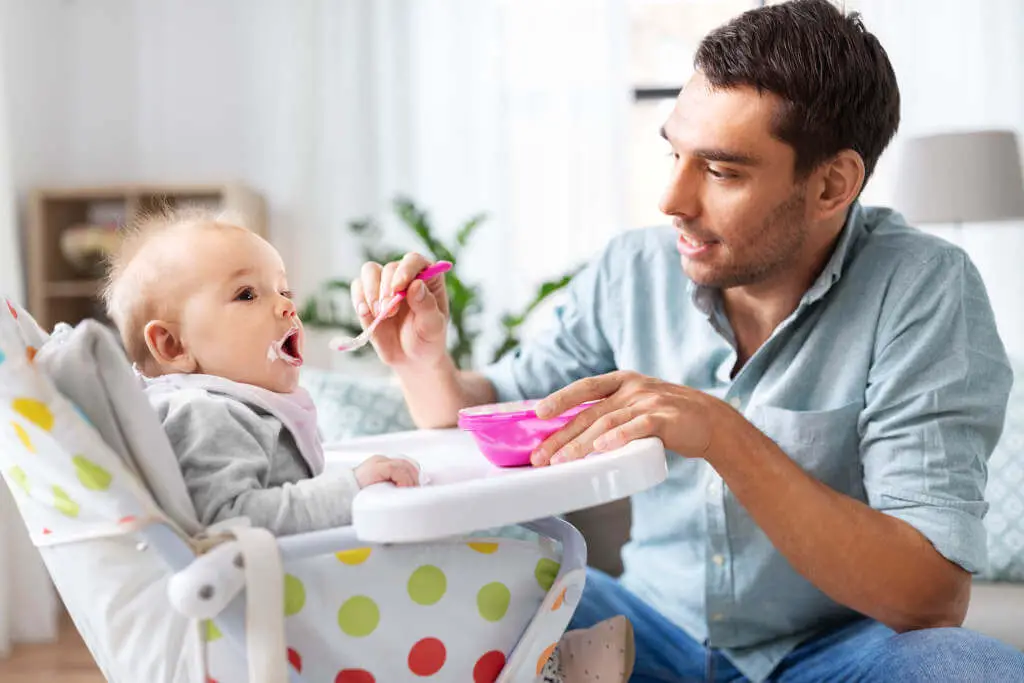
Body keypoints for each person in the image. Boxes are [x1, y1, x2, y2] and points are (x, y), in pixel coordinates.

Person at [351, 1, 1024, 680]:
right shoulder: (631, 270)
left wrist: (722, 433)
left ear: (832, 184)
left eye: (723, 171)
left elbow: (931, 595)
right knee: (463, 581)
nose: (672, 198)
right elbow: (493, 409)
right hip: (643, 630)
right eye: (674, 152)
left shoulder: (923, 287)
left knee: (969, 667)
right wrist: (423, 361)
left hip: (831, 651)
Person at [102, 209, 420, 536]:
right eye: (247, 294)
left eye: (284, 292)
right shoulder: (206, 413)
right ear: (173, 346)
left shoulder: (246, 409)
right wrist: (351, 488)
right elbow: (226, 521)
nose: (287, 306)